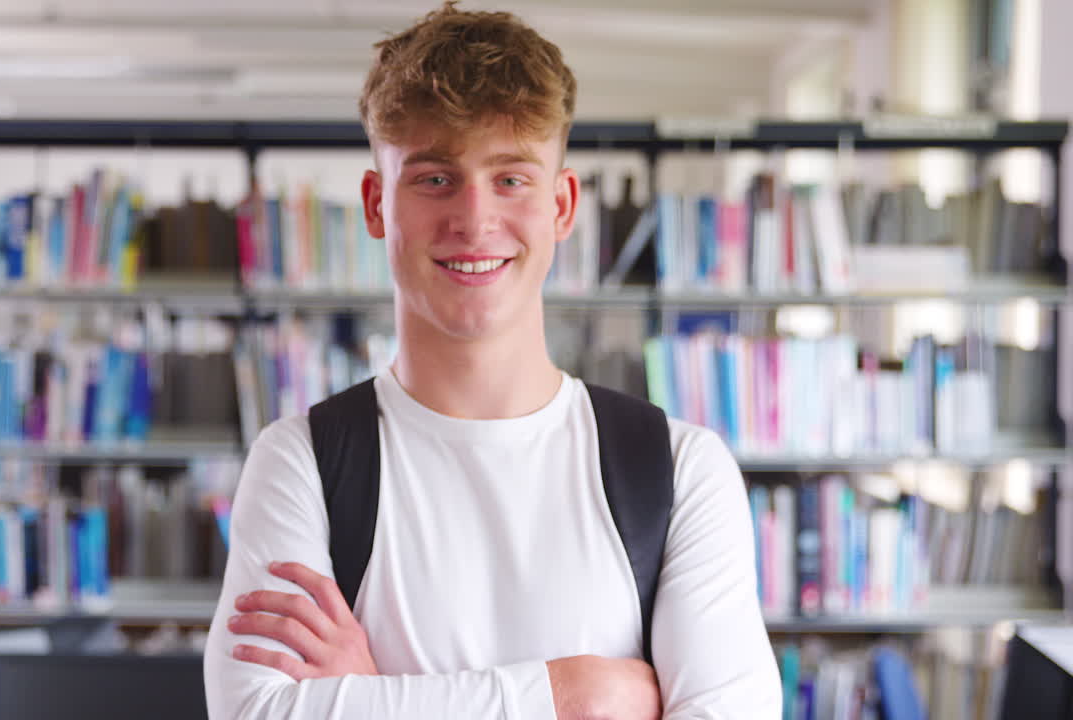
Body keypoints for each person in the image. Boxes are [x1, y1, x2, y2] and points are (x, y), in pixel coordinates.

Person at [203, 3, 781, 718]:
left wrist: (376, 699)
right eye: (435, 179)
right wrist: (573, 694)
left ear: (562, 205)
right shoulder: (303, 465)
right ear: (377, 204)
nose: (475, 220)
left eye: (511, 178)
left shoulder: (680, 471)